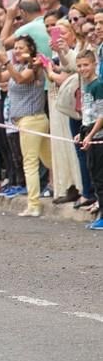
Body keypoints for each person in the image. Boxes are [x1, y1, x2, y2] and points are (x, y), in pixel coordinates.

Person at [0, 35, 50, 217]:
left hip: (32, 120)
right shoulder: (16, 66)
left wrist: (7, 63)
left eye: (21, 47)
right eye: (15, 47)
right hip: (25, 121)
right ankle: (66, 187)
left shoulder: (34, 66)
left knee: (30, 163)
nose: (16, 50)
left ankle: (33, 205)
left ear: (30, 49)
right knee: (49, 160)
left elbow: (20, 79)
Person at [75, 50, 103, 229]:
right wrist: (83, 133)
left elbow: (101, 114)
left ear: (94, 64)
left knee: (100, 178)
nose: (82, 69)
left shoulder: (98, 85)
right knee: (94, 175)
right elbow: (88, 114)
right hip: (90, 134)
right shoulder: (86, 85)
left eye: (86, 65)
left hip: (99, 137)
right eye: (79, 66)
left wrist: (91, 135)